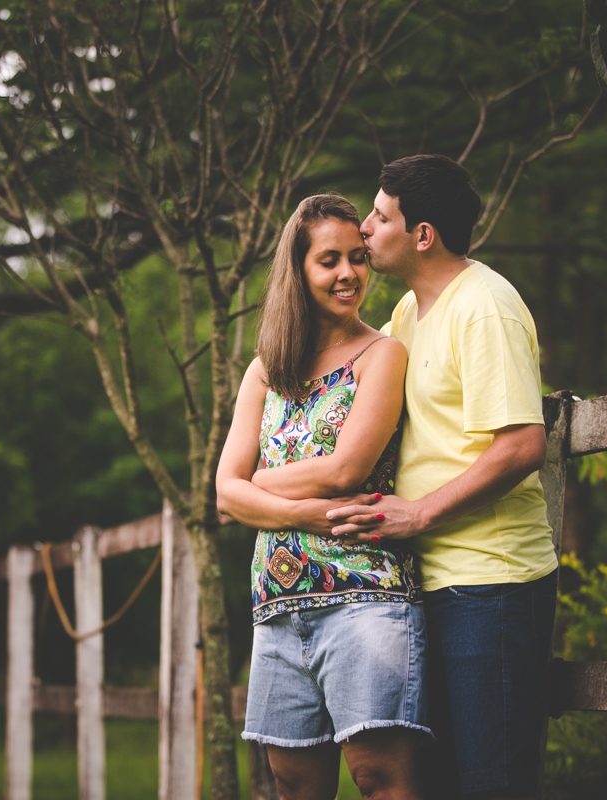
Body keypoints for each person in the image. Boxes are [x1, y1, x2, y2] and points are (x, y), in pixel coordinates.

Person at [326, 154, 558, 800]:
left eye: (379, 216)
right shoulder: (405, 316)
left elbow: (521, 445)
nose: (365, 228)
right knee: (440, 783)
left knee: (491, 782)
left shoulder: (485, 307)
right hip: (422, 585)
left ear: (422, 234)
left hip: (492, 585)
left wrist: (418, 514)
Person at [217, 194, 429, 800]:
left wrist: (257, 484)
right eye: (329, 261)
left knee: (379, 777)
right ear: (299, 271)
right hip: (277, 609)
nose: (348, 275)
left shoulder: (382, 354)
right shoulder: (266, 370)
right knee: (292, 785)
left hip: (363, 598)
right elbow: (222, 494)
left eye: (358, 258)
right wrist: (303, 512)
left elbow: (346, 470)